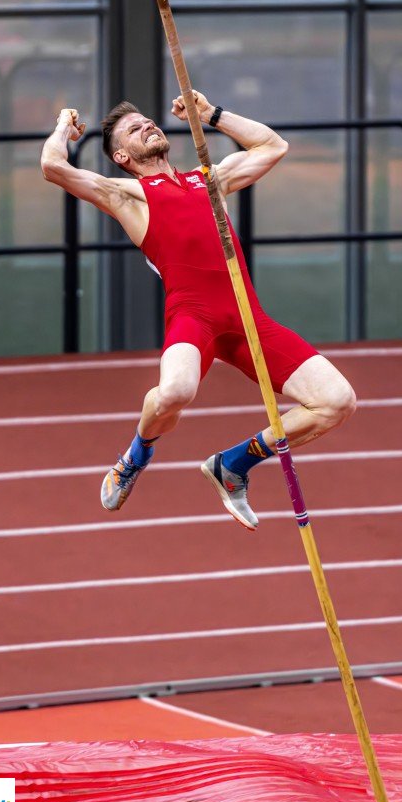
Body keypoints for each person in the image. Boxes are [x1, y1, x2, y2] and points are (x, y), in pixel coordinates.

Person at [41, 91, 356, 530]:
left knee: (337, 402)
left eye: (148, 121)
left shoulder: (209, 180)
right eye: (135, 129)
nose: (147, 126)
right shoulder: (128, 196)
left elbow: (272, 146)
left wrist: (212, 115)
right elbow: (54, 168)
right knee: (175, 393)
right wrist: (63, 127)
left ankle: (232, 465)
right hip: (194, 318)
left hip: (248, 318)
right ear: (121, 155)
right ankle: (137, 453)